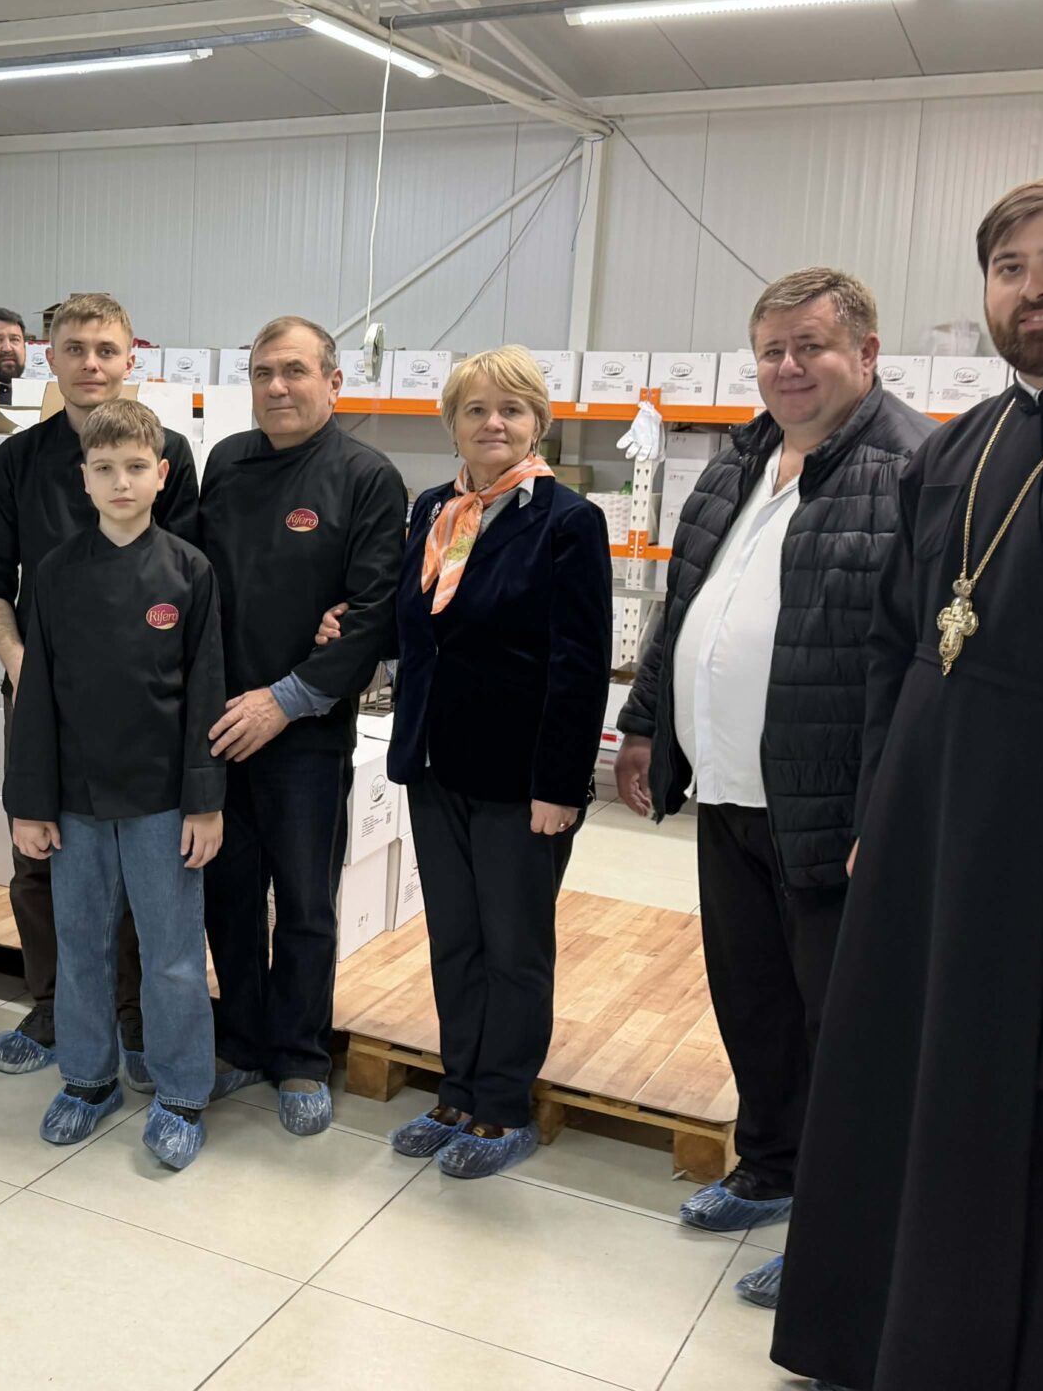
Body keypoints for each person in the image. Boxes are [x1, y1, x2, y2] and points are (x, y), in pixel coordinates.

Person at [773, 178, 1043, 1391]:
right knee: (906, 1071)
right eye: (1008, 268)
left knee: (1033, 1101)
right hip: (930, 823)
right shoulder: (955, 447)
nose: (1033, 290)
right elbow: (895, 641)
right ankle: (888, 1334)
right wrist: (878, 806)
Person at [614, 269, 933, 1306]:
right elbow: (683, 608)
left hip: (831, 809)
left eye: (811, 347)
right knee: (752, 998)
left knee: (842, 1028)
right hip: (728, 789)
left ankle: (842, 1235)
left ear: (866, 354)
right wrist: (645, 724)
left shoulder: (912, 468)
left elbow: (922, 663)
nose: (788, 367)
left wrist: (885, 807)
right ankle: (770, 1168)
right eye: (771, 350)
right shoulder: (738, 461)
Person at [381, 347, 611, 1178]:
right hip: (435, 761)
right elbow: (419, 629)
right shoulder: (434, 510)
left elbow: (580, 664)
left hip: (521, 776)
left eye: (511, 409)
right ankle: (458, 1088)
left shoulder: (567, 521)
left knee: (514, 946)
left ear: (537, 422)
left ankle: (504, 1104)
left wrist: (560, 785)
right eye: (476, 409)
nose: (494, 424)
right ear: (451, 424)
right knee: (456, 938)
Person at [0, 291, 200, 1082]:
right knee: (39, 854)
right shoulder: (18, 461)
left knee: (141, 863)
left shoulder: (170, 452)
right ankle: (52, 1006)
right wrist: (18, 660)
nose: (91, 364)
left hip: (143, 703)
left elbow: (188, 576)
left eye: (106, 349)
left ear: (130, 357)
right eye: (75, 349)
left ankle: (132, 1013)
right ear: (51, 357)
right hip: (42, 694)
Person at [200, 315, 406, 1135]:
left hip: (306, 733)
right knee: (227, 894)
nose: (277, 387)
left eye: (294, 371)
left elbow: (372, 610)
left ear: (334, 382)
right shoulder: (225, 463)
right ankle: (241, 1039)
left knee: (305, 900)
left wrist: (282, 701)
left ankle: (300, 1056)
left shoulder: (367, 477)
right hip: (220, 727)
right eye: (263, 373)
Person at [6, 400, 226, 1168]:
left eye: (136, 467)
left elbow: (205, 692)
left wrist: (205, 801)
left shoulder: (190, 572)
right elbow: (37, 697)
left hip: (164, 802)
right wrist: (30, 803)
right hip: (76, 802)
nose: (121, 481)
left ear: (161, 475)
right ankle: (87, 1078)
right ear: (85, 479)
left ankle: (181, 1092)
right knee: (81, 945)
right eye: (105, 469)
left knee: (171, 954)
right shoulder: (57, 573)